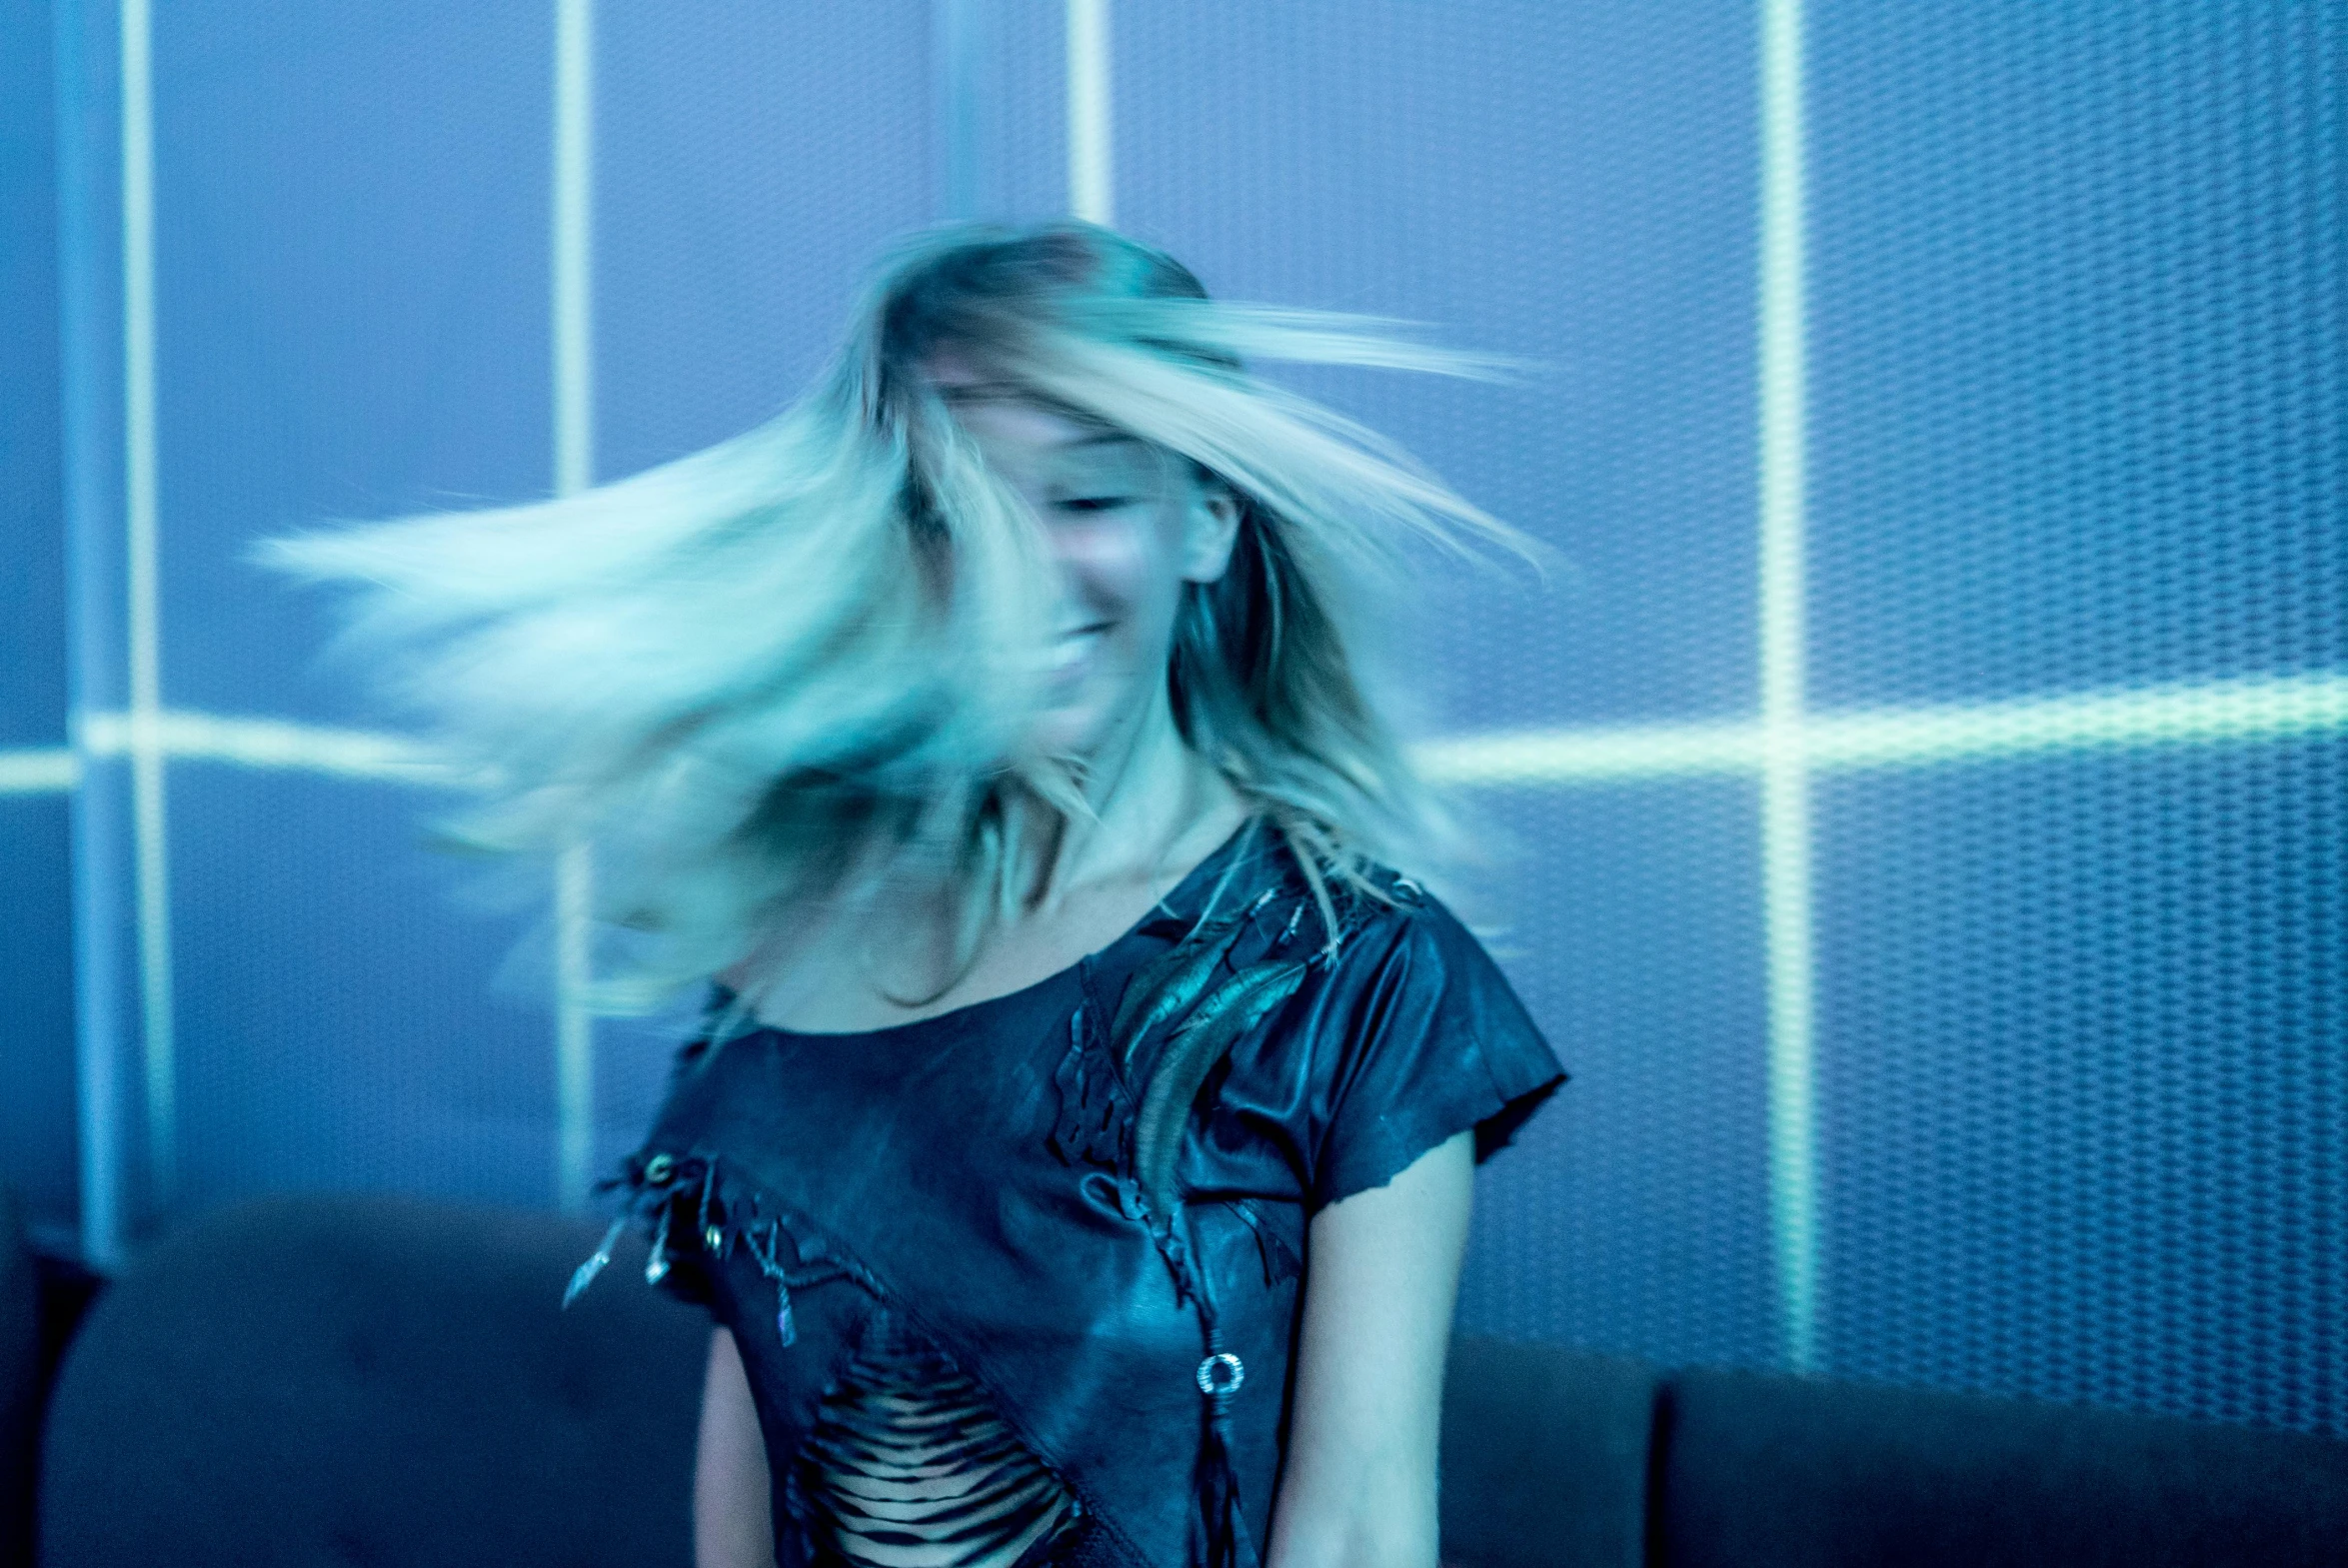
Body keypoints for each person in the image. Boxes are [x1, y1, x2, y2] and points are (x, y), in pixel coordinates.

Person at [270, 222, 1563, 1568]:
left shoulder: (1355, 974)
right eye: (956, 515)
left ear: (1210, 524)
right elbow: (748, 1475)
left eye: (1086, 498)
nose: (1017, 575)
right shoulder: (789, 923)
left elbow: (1356, 1522)